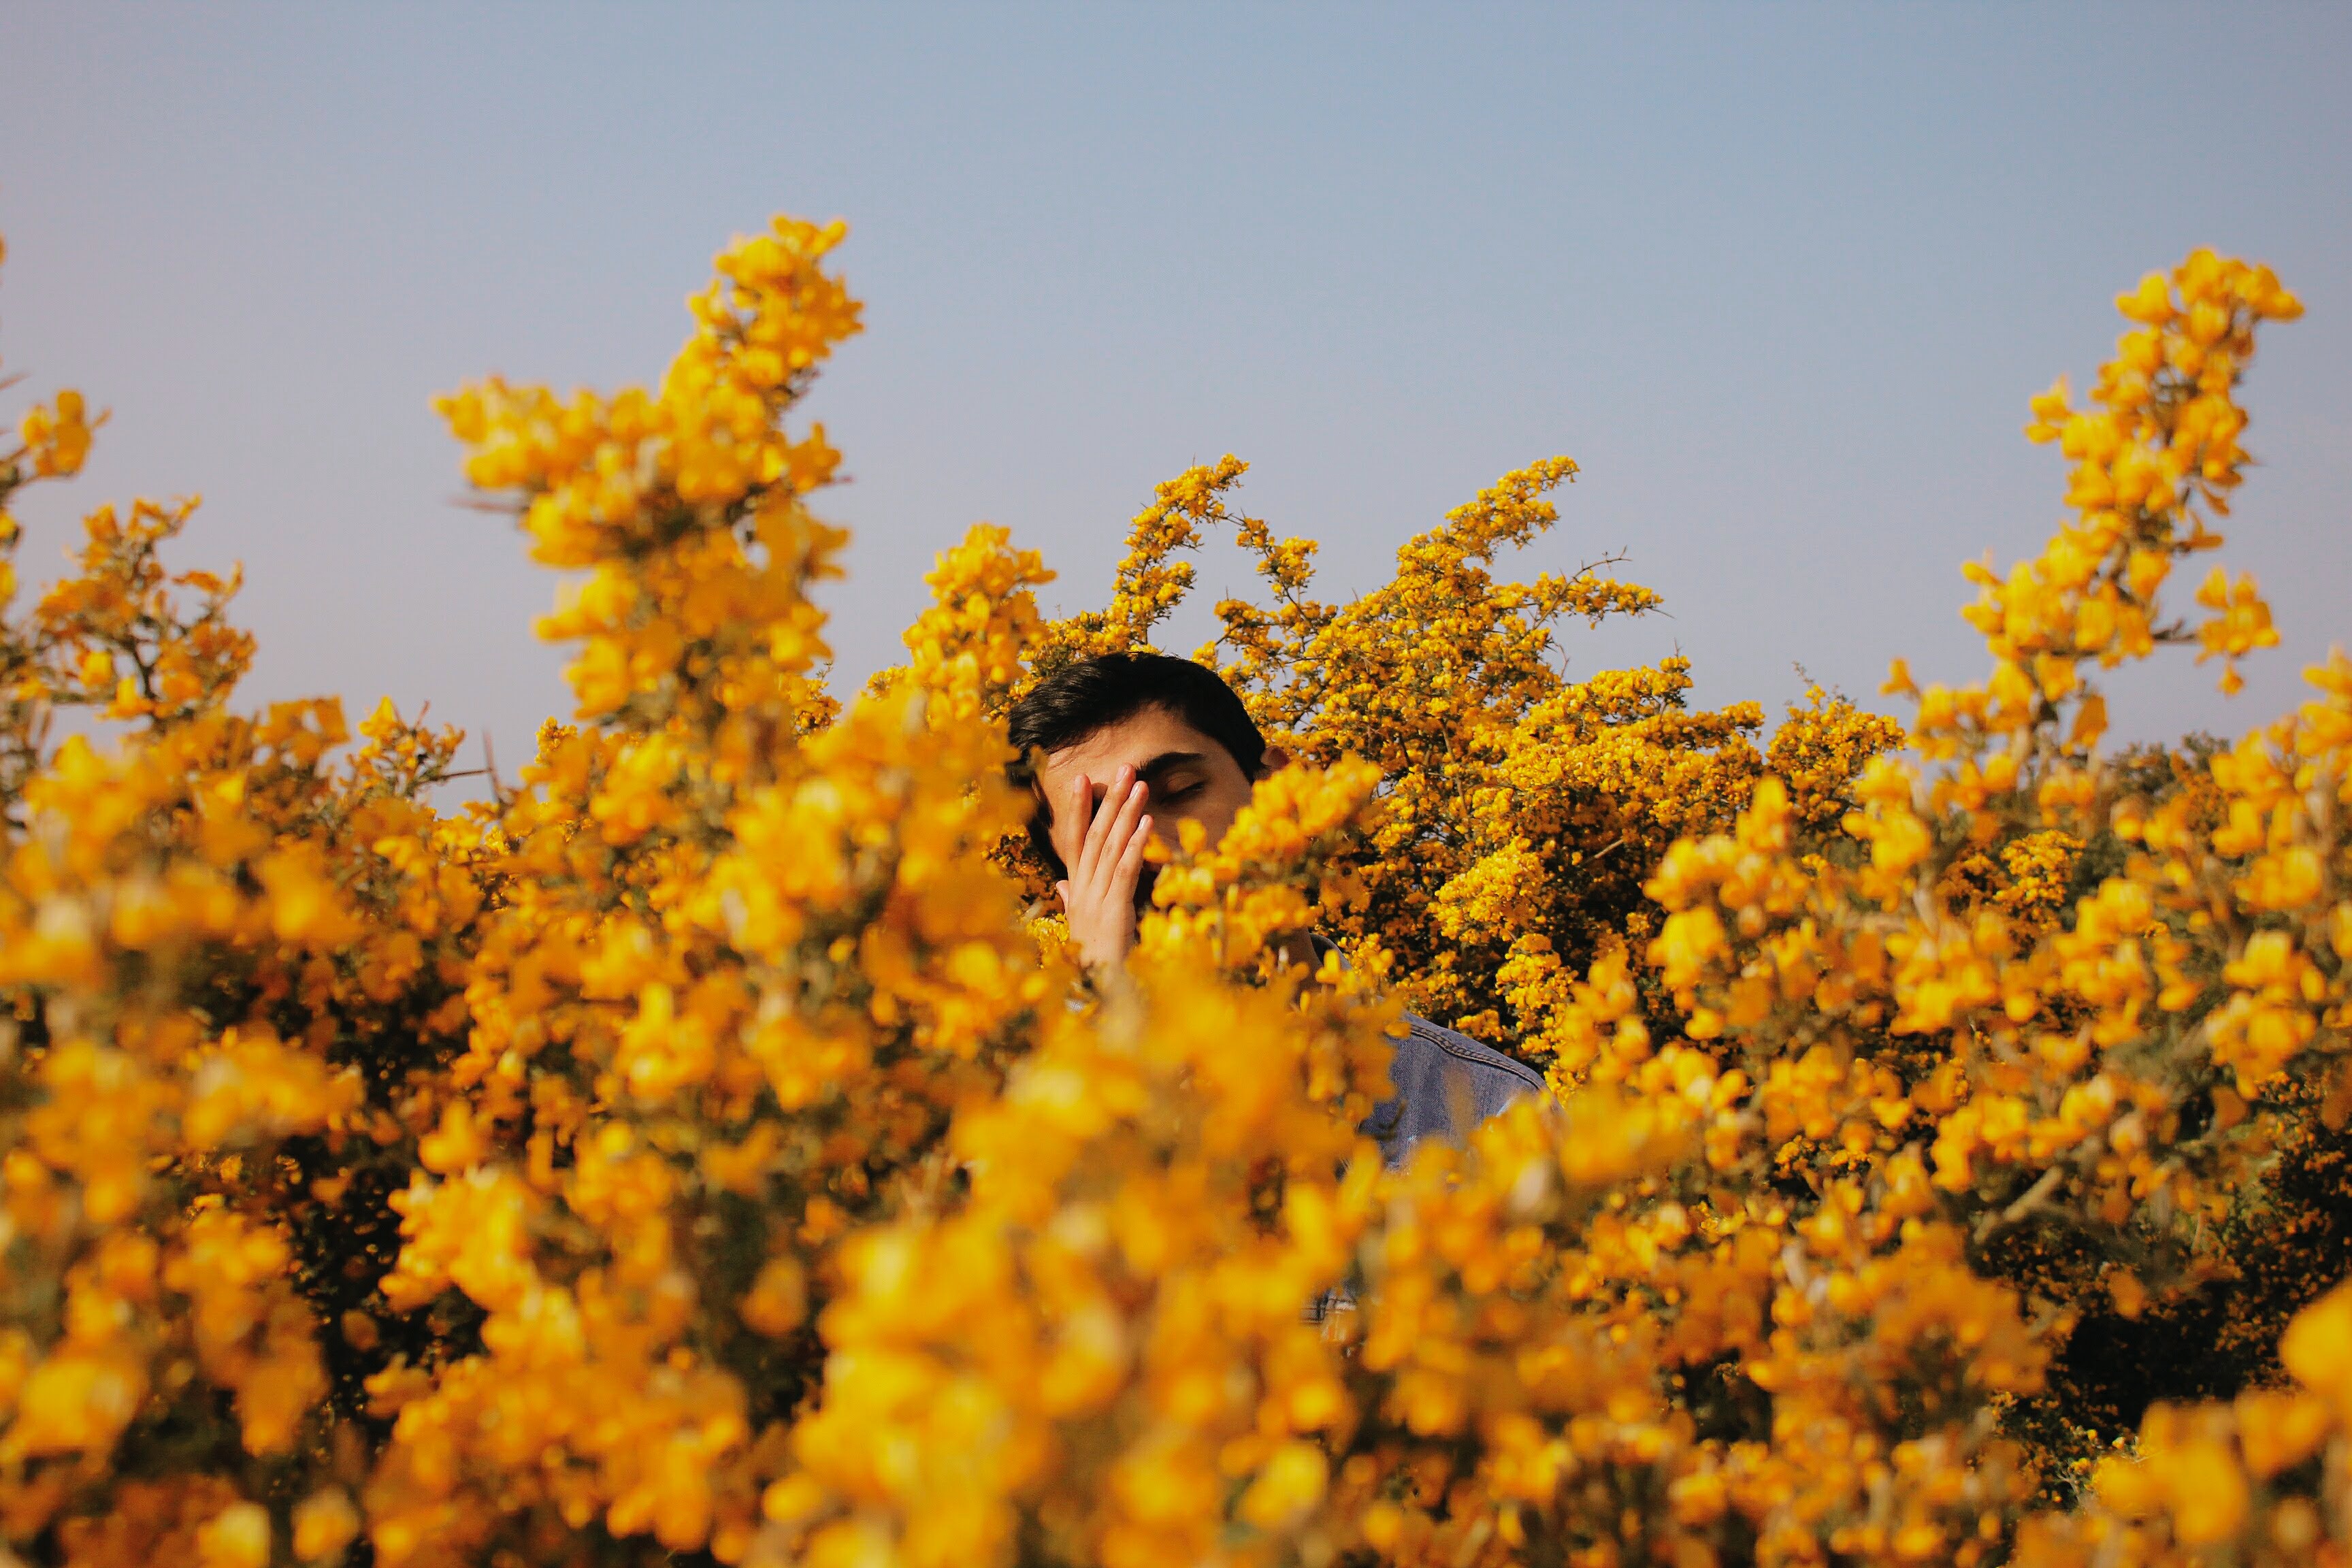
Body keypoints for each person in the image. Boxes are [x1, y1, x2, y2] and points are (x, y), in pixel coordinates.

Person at [1007, 651, 1545, 1169]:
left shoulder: (1493, 1112)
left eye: (1181, 790)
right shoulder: (1012, 1122)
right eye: (1103, 832)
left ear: (1276, 789)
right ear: (1069, 890)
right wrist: (1107, 1022)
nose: (1155, 847)